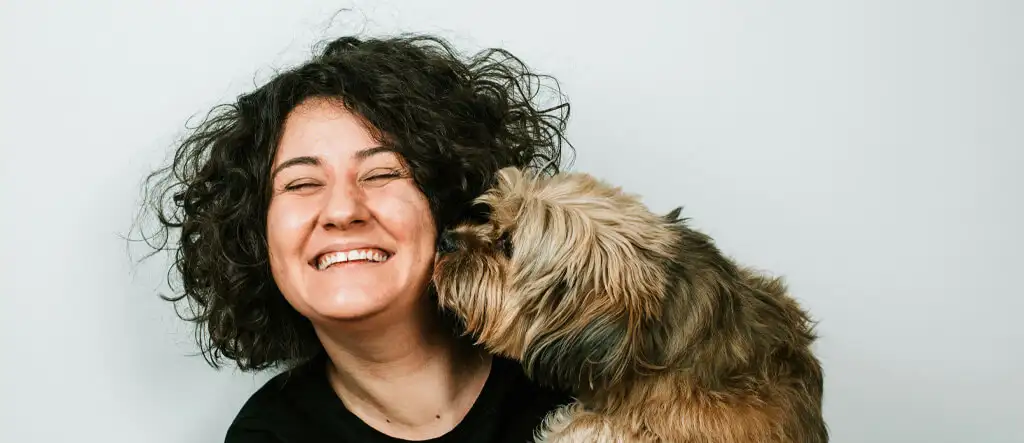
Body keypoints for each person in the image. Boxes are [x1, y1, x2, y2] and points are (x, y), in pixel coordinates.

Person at [140, 33, 575, 442]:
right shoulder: (269, 434)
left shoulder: (588, 370)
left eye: (382, 173)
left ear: (448, 201)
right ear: (256, 237)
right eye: (301, 184)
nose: (343, 210)